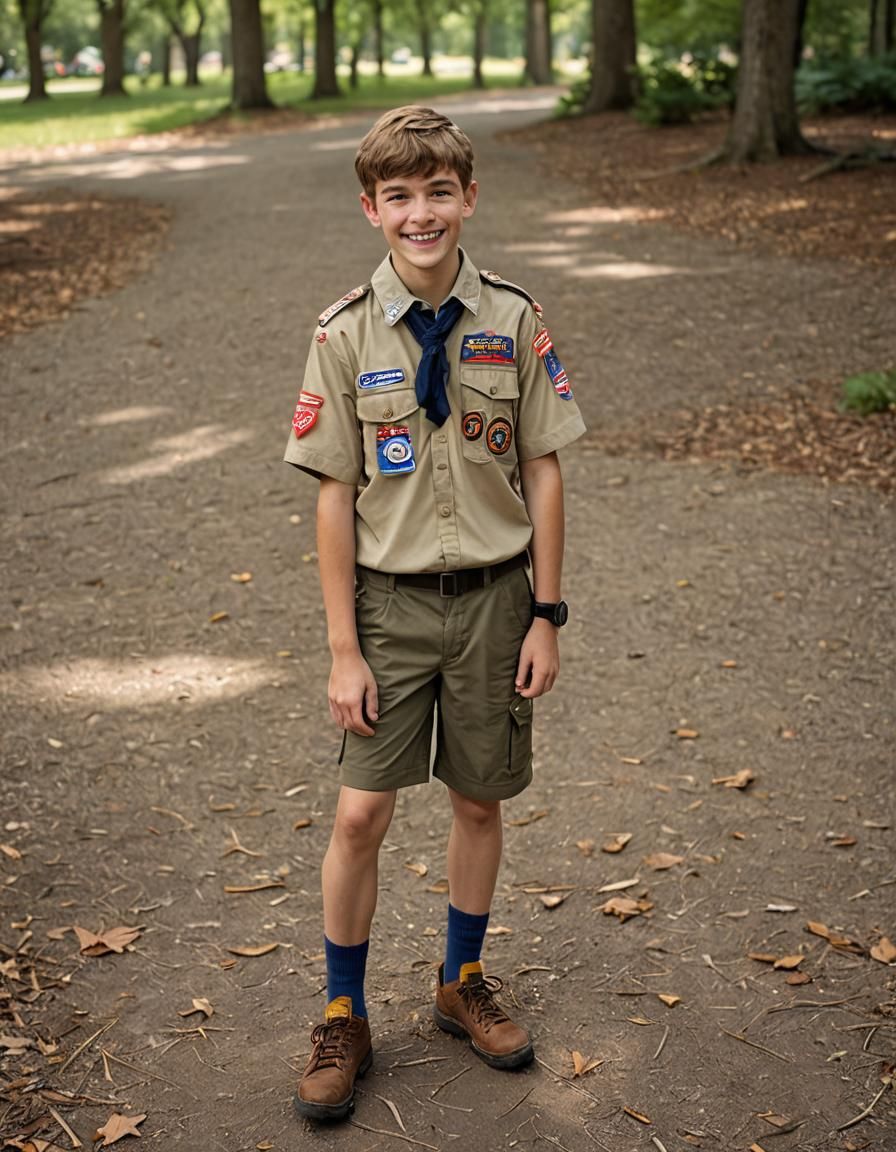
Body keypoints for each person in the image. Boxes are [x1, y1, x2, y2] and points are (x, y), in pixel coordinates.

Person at [284, 106, 585, 1122]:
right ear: (371, 209)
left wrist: (544, 611)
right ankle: (341, 1010)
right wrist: (340, 648)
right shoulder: (340, 333)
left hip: (498, 601)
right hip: (388, 608)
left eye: (439, 192)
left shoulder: (512, 319)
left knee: (475, 801)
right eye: (400, 197)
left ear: (468, 196)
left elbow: (541, 471)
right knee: (361, 810)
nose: (422, 213)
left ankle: (459, 982)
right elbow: (333, 494)